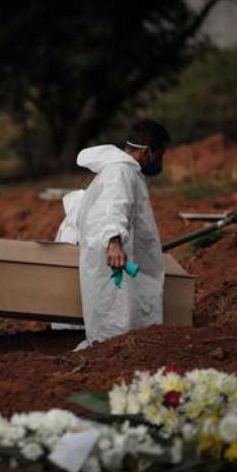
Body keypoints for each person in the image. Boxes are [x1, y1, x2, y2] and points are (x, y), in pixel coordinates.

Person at [74, 119, 169, 350]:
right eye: (160, 153)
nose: (160, 160)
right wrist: (114, 242)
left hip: (120, 260)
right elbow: (112, 207)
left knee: (121, 325)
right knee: (117, 329)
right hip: (116, 260)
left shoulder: (123, 170)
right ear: (146, 151)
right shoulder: (121, 171)